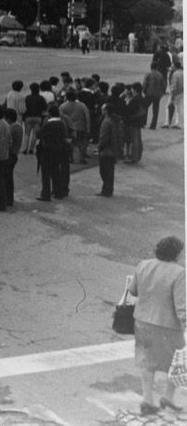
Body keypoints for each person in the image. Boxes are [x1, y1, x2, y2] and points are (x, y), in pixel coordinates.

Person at [126, 236, 186, 416]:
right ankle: (167, 397)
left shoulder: (143, 265)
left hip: (143, 320)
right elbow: (181, 305)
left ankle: (147, 400)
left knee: (147, 361)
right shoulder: (179, 272)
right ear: (176, 253)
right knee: (178, 362)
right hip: (168, 325)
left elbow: (133, 290)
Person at [35, 103, 69, 201]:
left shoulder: (48, 124)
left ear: (50, 114)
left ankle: (46, 194)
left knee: (45, 173)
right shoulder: (61, 123)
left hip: (47, 150)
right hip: (58, 149)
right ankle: (58, 192)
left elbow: (39, 134)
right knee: (56, 171)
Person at [97, 100, 123, 197]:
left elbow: (104, 138)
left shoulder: (106, 122)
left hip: (106, 150)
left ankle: (106, 190)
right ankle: (108, 190)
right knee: (110, 172)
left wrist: (99, 147)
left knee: (104, 171)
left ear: (106, 111)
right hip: (114, 149)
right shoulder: (116, 120)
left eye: (103, 109)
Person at [144, 62, 168, 130]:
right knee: (155, 110)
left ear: (151, 67)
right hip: (157, 94)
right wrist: (162, 93)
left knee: (144, 107)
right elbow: (164, 86)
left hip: (149, 93)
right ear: (157, 67)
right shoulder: (160, 75)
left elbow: (145, 84)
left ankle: (143, 122)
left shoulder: (148, 74)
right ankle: (153, 125)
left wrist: (144, 91)